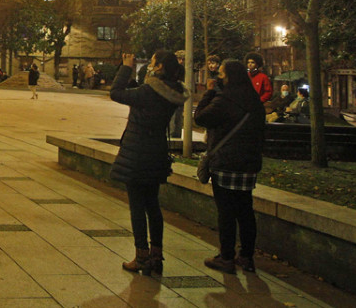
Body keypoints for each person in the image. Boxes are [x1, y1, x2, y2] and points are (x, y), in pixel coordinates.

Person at [109, 50, 189, 276]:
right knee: (153, 205)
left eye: (153, 62)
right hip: (156, 153)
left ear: (160, 66)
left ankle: (141, 255)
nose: (150, 65)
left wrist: (126, 67)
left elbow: (116, 93)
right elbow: (138, 93)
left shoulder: (149, 92)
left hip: (137, 154)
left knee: (137, 206)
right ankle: (156, 255)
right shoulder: (171, 92)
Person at [194, 59, 266, 274]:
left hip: (225, 163)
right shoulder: (254, 99)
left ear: (229, 77)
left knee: (226, 212)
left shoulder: (224, 99)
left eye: (222, 74)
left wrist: (209, 93)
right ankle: (246, 256)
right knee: (245, 210)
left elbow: (200, 118)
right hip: (249, 164)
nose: (219, 78)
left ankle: (226, 258)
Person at [170, 50, 186, 138]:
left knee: (178, 120)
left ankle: (177, 137)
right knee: (172, 121)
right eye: (179, 59)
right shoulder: (171, 70)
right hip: (172, 98)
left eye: (183, 59)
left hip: (180, 98)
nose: (181, 61)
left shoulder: (185, 70)